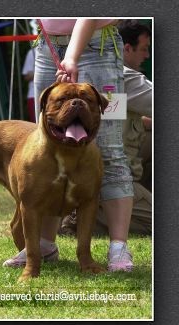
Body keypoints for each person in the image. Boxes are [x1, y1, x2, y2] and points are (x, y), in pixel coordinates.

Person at [3, 19, 135, 272]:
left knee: (110, 152)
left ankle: (118, 249)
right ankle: (44, 244)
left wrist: (72, 56)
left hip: (98, 47)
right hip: (46, 45)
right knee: (45, 152)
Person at [60, 20, 153, 236]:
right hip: (104, 179)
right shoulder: (123, 77)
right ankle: (82, 218)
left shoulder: (112, 78)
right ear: (124, 47)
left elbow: (117, 114)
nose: (147, 56)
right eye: (144, 49)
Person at [22, 48, 36, 122]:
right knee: (35, 125)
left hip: (52, 94)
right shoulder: (32, 52)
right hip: (33, 95)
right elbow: (26, 76)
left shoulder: (56, 50)